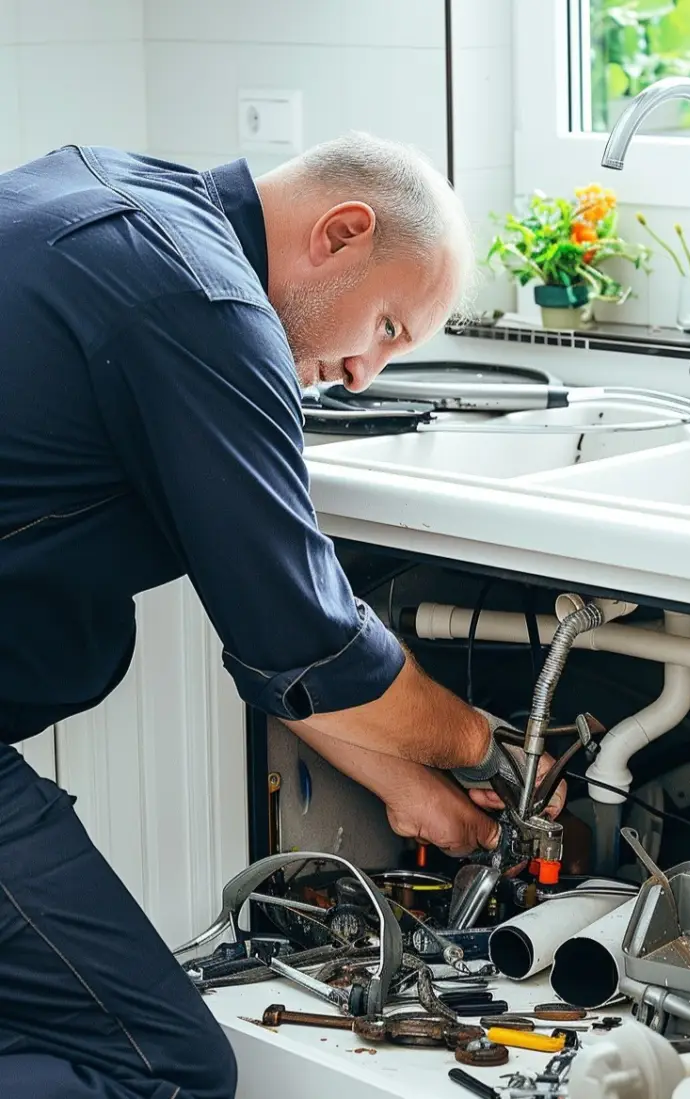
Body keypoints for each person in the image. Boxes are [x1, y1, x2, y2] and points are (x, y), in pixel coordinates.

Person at [0, 134, 563, 1099]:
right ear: (342, 233)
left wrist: (407, 789)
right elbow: (309, 641)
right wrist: (490, 748)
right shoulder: (204, 307)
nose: (362, 375)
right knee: (163, 1070)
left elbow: (268, 632)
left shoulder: (109, 190)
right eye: (385, 324)